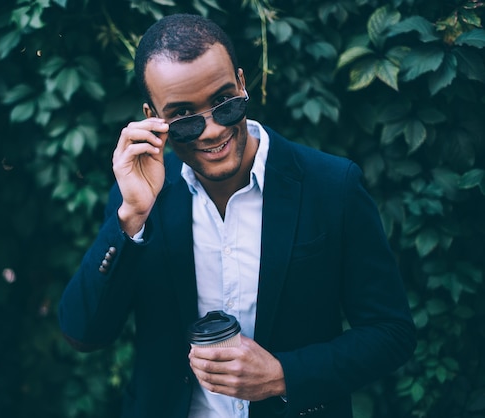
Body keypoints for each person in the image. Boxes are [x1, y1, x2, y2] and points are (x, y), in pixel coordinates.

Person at [58, 13, 416, 418]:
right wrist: (131, 218)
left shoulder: (332, 186)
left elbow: (392, 333)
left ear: (242, 84)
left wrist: (285, 374)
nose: (211, 130)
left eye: (223, 103)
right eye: (184, 117)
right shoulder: (139, 201)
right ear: (152, 116)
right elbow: (83, 334)